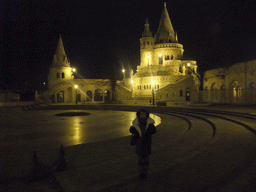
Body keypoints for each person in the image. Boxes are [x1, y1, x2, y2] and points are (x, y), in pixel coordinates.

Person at [129, 109, 156, 179]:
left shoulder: (150, 123)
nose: (142, 115)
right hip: (139, 143)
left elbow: (154, 130)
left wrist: (148, 131)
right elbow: (131, 129)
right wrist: (134, 131)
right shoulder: (136, 123)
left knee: (146, 159)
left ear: (146, 115)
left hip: (147, 143)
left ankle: (145, 173)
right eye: (141, 114)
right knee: (140, 159)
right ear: (139, 115)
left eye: (144, 114)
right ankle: (141, 173)